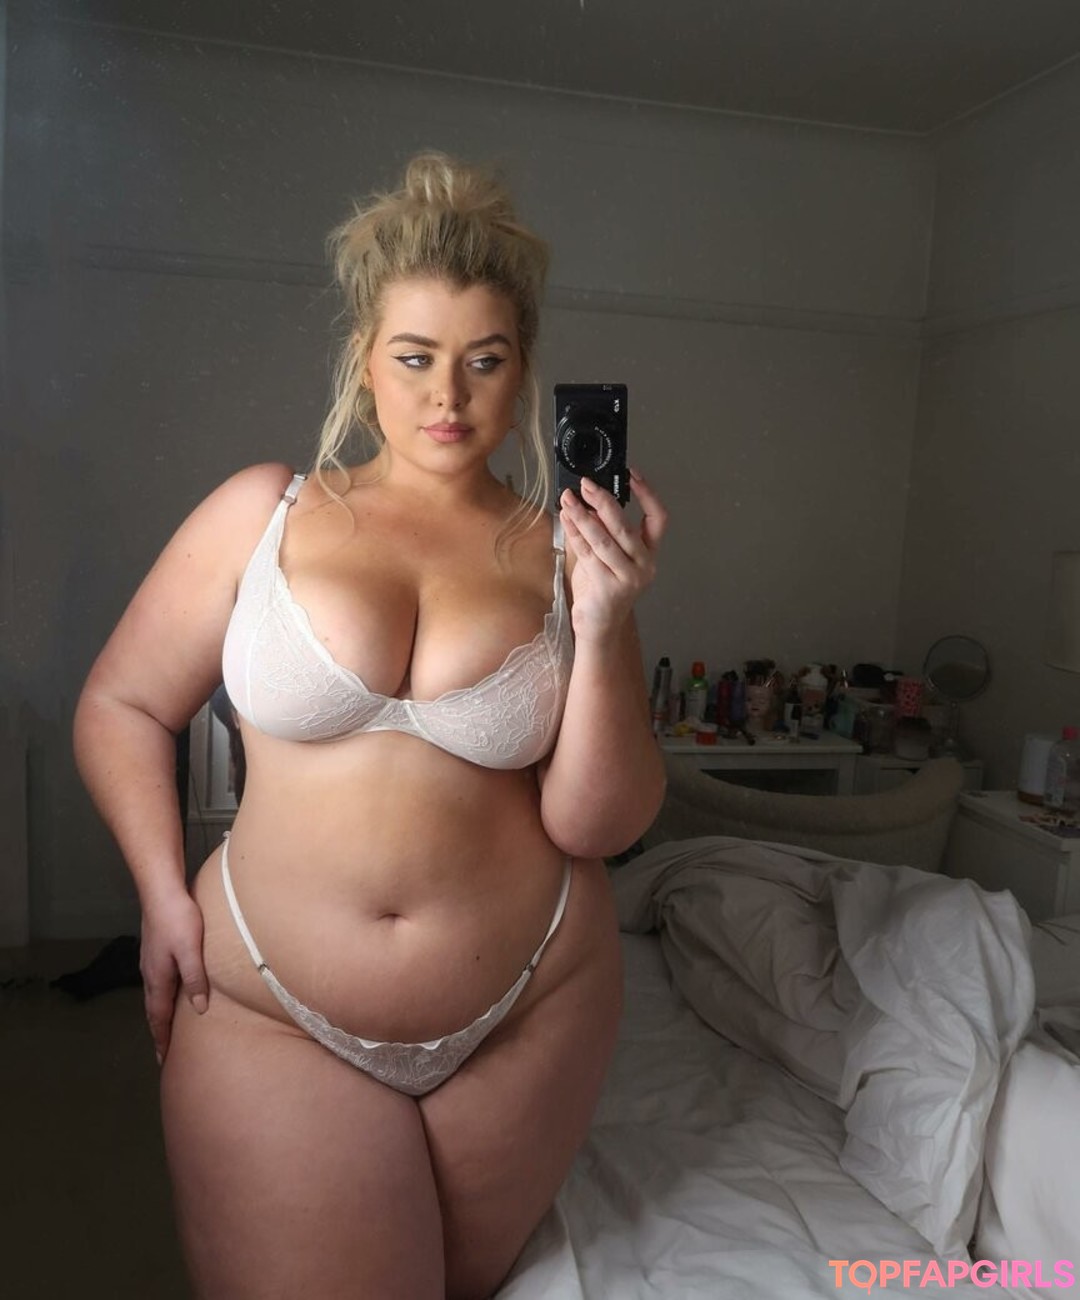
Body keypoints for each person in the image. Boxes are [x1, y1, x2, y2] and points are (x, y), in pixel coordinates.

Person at [73, 152, 667, 1300]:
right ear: (364, 358)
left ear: (523, 371)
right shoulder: (265, 512)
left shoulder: (566, 553)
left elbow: (599, 823)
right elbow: (123, 704)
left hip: (531, 1011)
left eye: (485, 360)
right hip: (267, 1004)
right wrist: (158, 893)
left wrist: (604, 621)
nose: (449, 395)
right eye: (415, 355)